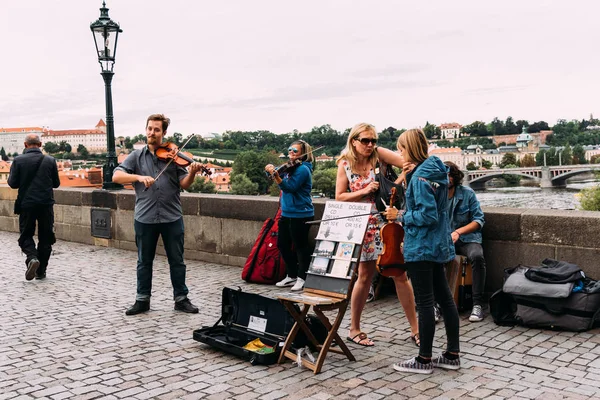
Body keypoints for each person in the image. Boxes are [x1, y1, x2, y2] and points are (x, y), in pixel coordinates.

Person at [335, 123, 419, 347]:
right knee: (364, 276)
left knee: (399, 273)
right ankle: (354, 328)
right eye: (365, 141)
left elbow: (408, 164)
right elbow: (339, 196)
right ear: (354, 141)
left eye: (373, 140)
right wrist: (363, 191)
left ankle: (416, 329)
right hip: (363, 225)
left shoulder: (378, 155)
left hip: (387, 223)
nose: (370, 145)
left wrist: (397, 184)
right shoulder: (344, 164)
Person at [113, 113, 206, 316]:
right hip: (144, 218)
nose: (152, 133)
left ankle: (181, 299)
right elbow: (116, 175)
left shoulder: (174, 157)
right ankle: (142, 300)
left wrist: (192, 172)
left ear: (164, 133)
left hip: (172, 216)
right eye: (149, 129)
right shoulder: (136, 156)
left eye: (156, 130)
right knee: (144, 261)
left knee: (177, 261)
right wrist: (138, 177)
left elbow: (184, 184)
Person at [388, 128, 460, 374]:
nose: (400, 153)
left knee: (425, 303)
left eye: (401, 149)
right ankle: (452, 354)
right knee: (446, 300)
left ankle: (424, 359)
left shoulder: (420, 177)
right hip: (438, 244)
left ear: (410, 149)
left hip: (421, 246)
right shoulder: (435, 170)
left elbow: (425, 215)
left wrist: (399, 215)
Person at [8, 134, 60, 281]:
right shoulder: (50, 160)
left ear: (25, 145)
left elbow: (12, 183)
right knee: (46, 237)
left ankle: (32, 258)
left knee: (25, 235)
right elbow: (56, 184)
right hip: (46, 204)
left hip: (27, 204)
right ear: (40, 144)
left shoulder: (18, 160)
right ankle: (41, 271)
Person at [265, 140, 315, 292]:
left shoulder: (303, 170)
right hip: (287, 213)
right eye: (290, 150)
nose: (291, 153)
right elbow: (276, 176)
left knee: (300, 246)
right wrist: (270, 170)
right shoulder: (290, 168)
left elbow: (290, 188)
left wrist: (277, 177)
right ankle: (291, 274)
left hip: (301, 213)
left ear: (303, 154)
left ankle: (302, 277)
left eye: (295, 151)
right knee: (282, 244)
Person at [445, 161, 487, 322]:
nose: (446, 179)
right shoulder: (436, 195)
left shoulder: (467, 194)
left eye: (449, 175)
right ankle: (434, 304)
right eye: (443, 176)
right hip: (445, 240)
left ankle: (477, 304)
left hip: (468, 239)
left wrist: (457, 232)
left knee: (477, 256)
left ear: (455, 177)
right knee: (432, 258)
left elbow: (479, 220)